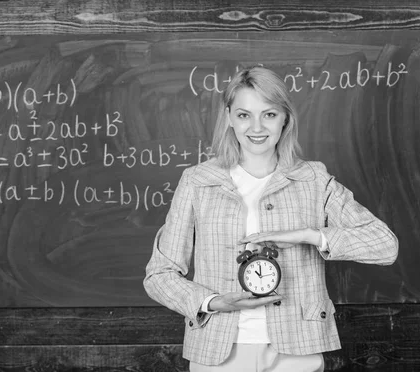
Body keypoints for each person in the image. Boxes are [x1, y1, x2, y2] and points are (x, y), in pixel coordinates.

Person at [143, 66, 398, 371]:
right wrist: (214, 302)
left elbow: (385, 245)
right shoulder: (198, 182)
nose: (257, 127)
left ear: (285, 118)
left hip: (297, 349)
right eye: (243, 115)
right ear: (228, 118)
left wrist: (311, 235)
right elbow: (160, 275)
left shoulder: (313, 179)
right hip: (218, 350)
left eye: (269, 114)